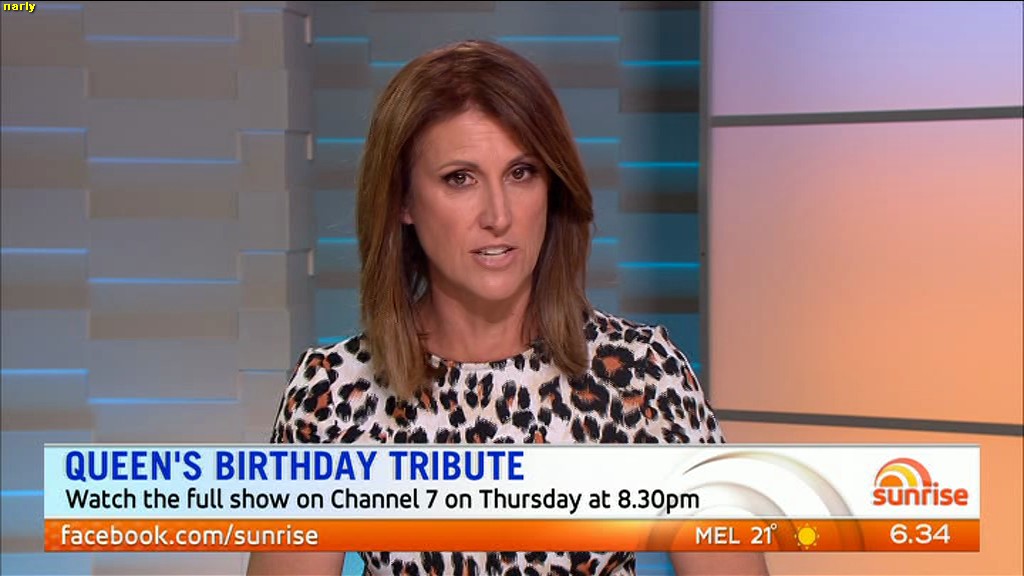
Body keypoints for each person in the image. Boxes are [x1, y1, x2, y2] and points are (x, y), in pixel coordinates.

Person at [247, 39, 769, 576]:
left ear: (552, 187)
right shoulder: (332, 393)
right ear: (402, 200)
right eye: (460, 178)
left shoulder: (642, 375)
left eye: (521, 173)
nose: (498, 215)